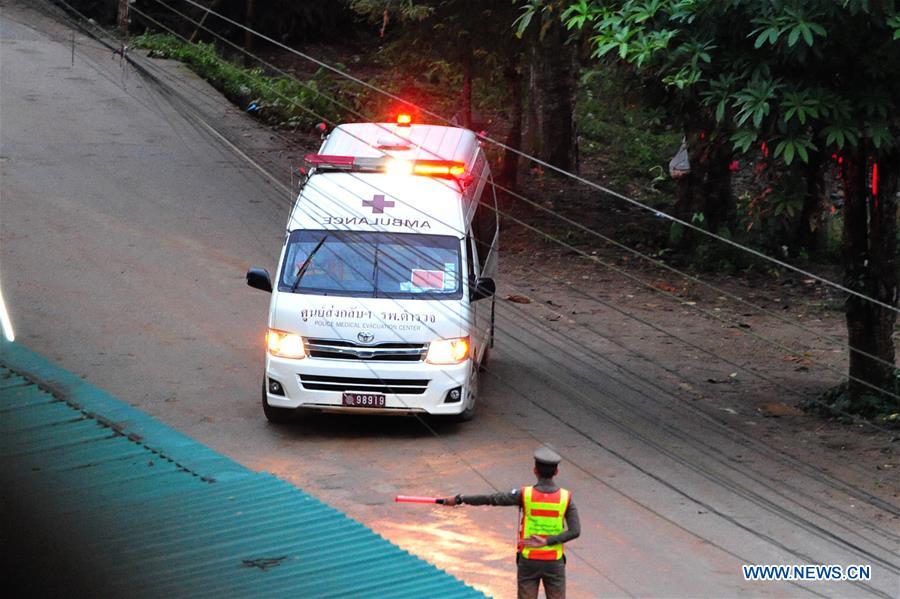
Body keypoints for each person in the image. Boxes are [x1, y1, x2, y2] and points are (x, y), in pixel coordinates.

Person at [442, 447, 580, 599]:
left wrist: (460, 499)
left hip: (528, 561)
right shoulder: (565, 498)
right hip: (554, 562)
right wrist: (548, 541)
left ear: (535, 470)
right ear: (556, 472)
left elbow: (491, 499)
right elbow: (575, 531)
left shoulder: (525, 494)